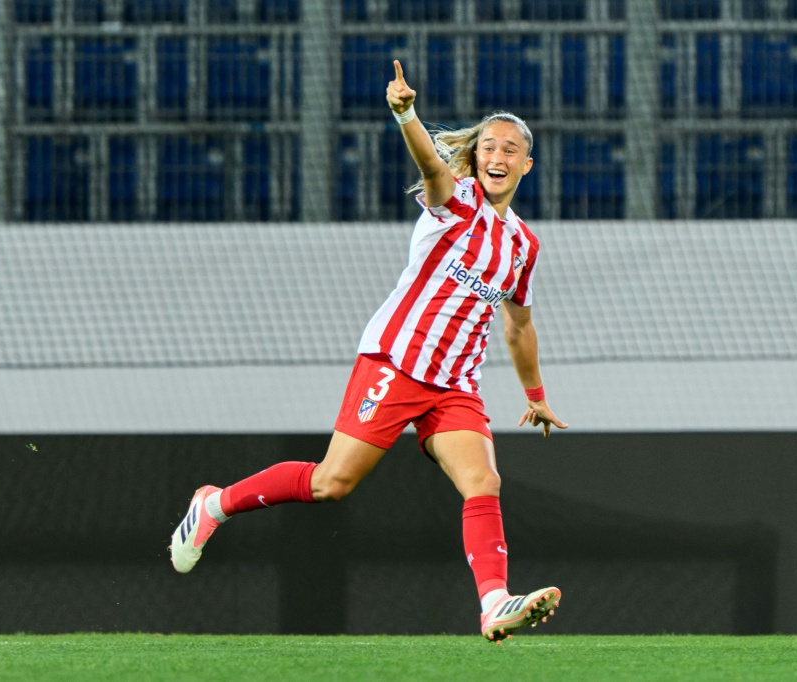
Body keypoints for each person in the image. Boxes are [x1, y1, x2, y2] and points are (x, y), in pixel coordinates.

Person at [170, 60, 568, 644]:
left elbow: (519, 326)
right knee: (332, 483)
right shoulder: (455, 200)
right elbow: (431, 163)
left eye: (510, 149)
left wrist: (535, 396)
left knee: (483, 481)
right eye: (489, 146)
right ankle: (215, 506)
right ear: (477, 157)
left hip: (455, 385)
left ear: (526, 164)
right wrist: (406, 113)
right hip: (394, 363)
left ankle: (492, 605)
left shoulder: (523, 244)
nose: (498, 156)